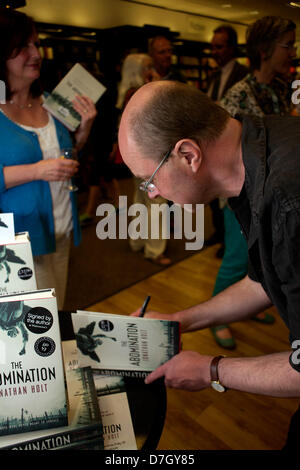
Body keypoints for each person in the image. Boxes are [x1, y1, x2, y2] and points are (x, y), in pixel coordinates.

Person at [118, 80, 300, 448]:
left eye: (148, 181)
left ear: (188, 154)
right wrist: (180, 320)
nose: (152, 194)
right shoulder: (252, 151)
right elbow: (263, 281)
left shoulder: (288, 201)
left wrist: (210, 369)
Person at [0, 9, 96, 309]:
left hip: (61, 229)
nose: (35, 53)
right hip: (19, 241)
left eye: (36, 44)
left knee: (56, 309)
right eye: (23, 47)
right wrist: (36, 170)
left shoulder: (51, 102)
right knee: (33, 325)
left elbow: (64, 159)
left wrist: (82, 133)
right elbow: (45, 167)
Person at [211, 16, 296, 349]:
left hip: (273, 195)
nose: (292, 52)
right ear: (264, 50)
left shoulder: (278, 86)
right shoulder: (238, 94)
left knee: (256, 260)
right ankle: (218, 319)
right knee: (235, 256)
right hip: (243, 198)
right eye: (287, 45)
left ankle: (243, 308)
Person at [117, 53, 171, 265]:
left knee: (140, 198)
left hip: (136, 154)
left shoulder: (129, 92)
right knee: (157, 200)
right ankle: (154, 249)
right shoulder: (144, 92)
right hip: (149, 153)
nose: (152, 69)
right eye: (147, 66)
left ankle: (138, 241)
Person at [206, 25, 248, 259]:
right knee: (214, 196)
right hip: (211, 143)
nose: (215, 52)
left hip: (231, 148)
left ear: (232, 48)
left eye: (219, 47)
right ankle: (219, 234)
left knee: (229, 199)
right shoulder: (212, 76)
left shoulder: (242, 76)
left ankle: (229, 241)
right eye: (212, 47)